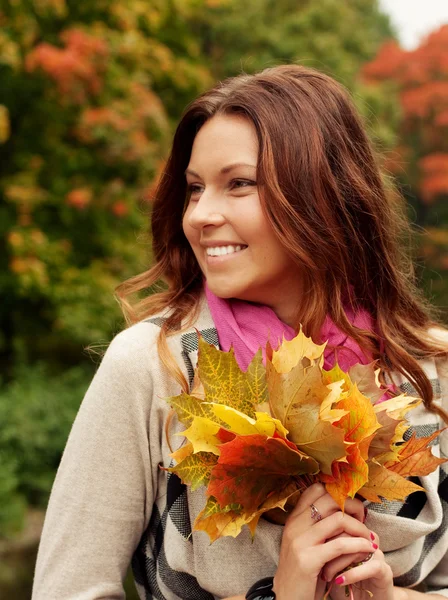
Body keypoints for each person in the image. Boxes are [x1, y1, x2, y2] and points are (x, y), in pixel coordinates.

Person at [32, 65, 448, 600]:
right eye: (195, 188)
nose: (201, 214)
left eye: (239, 184)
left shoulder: (428, 368)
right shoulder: (152, 366)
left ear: (324, 195)